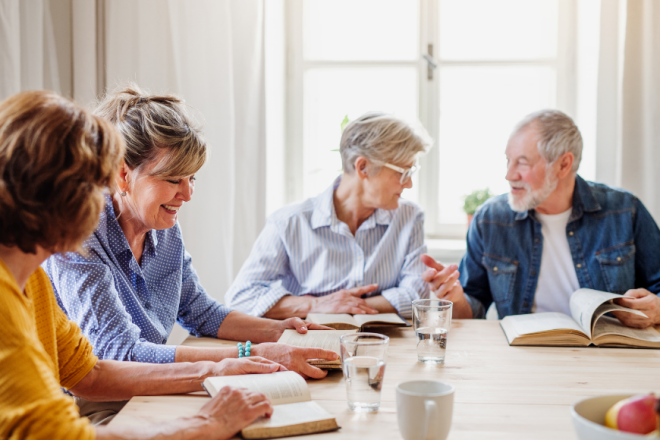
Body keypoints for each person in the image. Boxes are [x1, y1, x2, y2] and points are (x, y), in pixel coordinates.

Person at [0, 90, 286, 440]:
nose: (102, 197)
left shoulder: (33, 283)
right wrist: (205, 423)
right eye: (95, 182)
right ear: (55, 192)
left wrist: (219, 368)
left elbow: (88, 375)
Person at [43, 85, 337, 384]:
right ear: (122, 174)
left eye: (191, 178)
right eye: (173, 179)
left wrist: (279, 330)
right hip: (86, 403)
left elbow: (199, 311)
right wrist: (250, 353)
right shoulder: (80, 238)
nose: (187, 194)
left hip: (150, 386)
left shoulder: (164, 229)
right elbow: (118, 353)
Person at [421, 109, 660, 329]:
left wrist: (656, 308)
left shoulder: (625, 210)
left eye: (522, 163)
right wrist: (453, 297)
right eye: (508, 160)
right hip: (522, 355)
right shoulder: (491, 219)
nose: (509, 174)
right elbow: (472, 310)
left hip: (609, 356)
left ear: (563, 164)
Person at [226, 112, 432, 319]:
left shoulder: (410, 216)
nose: (409, 184)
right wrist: (316, 305)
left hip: (386, 344)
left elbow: (417, 295)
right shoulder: (289, 222)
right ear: (363, 167)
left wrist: (344, 305)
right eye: (403, 173)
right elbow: (241, 297)